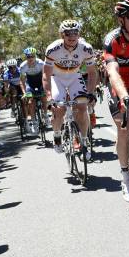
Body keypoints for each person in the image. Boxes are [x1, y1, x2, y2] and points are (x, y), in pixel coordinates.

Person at [103, 0, 129, 203]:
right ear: (121, 20)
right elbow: (112, 71)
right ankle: (125, 176)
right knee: (124, 128)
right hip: (117, 84)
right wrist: (124, 95)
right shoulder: (113, 40)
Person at [44, 20, 98, 158]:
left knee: (82, 107)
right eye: (68, 33)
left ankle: (84, 142)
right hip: (57, 79)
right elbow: (46, 74)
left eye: (75, 32)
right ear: (62, 35)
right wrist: (49, 96)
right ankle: (57, 136)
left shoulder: (86, 48)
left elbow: (92, 72)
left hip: (75, 77)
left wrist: (91, 92)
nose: (72, 36)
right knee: (59, 109)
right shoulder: (52, 49)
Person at [19, 46, 47, 131]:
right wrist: (24, 92)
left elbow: (45, 77)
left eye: (32, 56)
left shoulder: (41, 63)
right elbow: (22, 81)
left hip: (40, 81)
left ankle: (45, 115)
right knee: (30, 101)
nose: (30, 58)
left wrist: (46, 89)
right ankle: (34, 122)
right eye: (28, 56)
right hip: (30, 83)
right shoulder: (23, 66)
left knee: (43, 97)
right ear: (26, 57)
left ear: (35, 56)